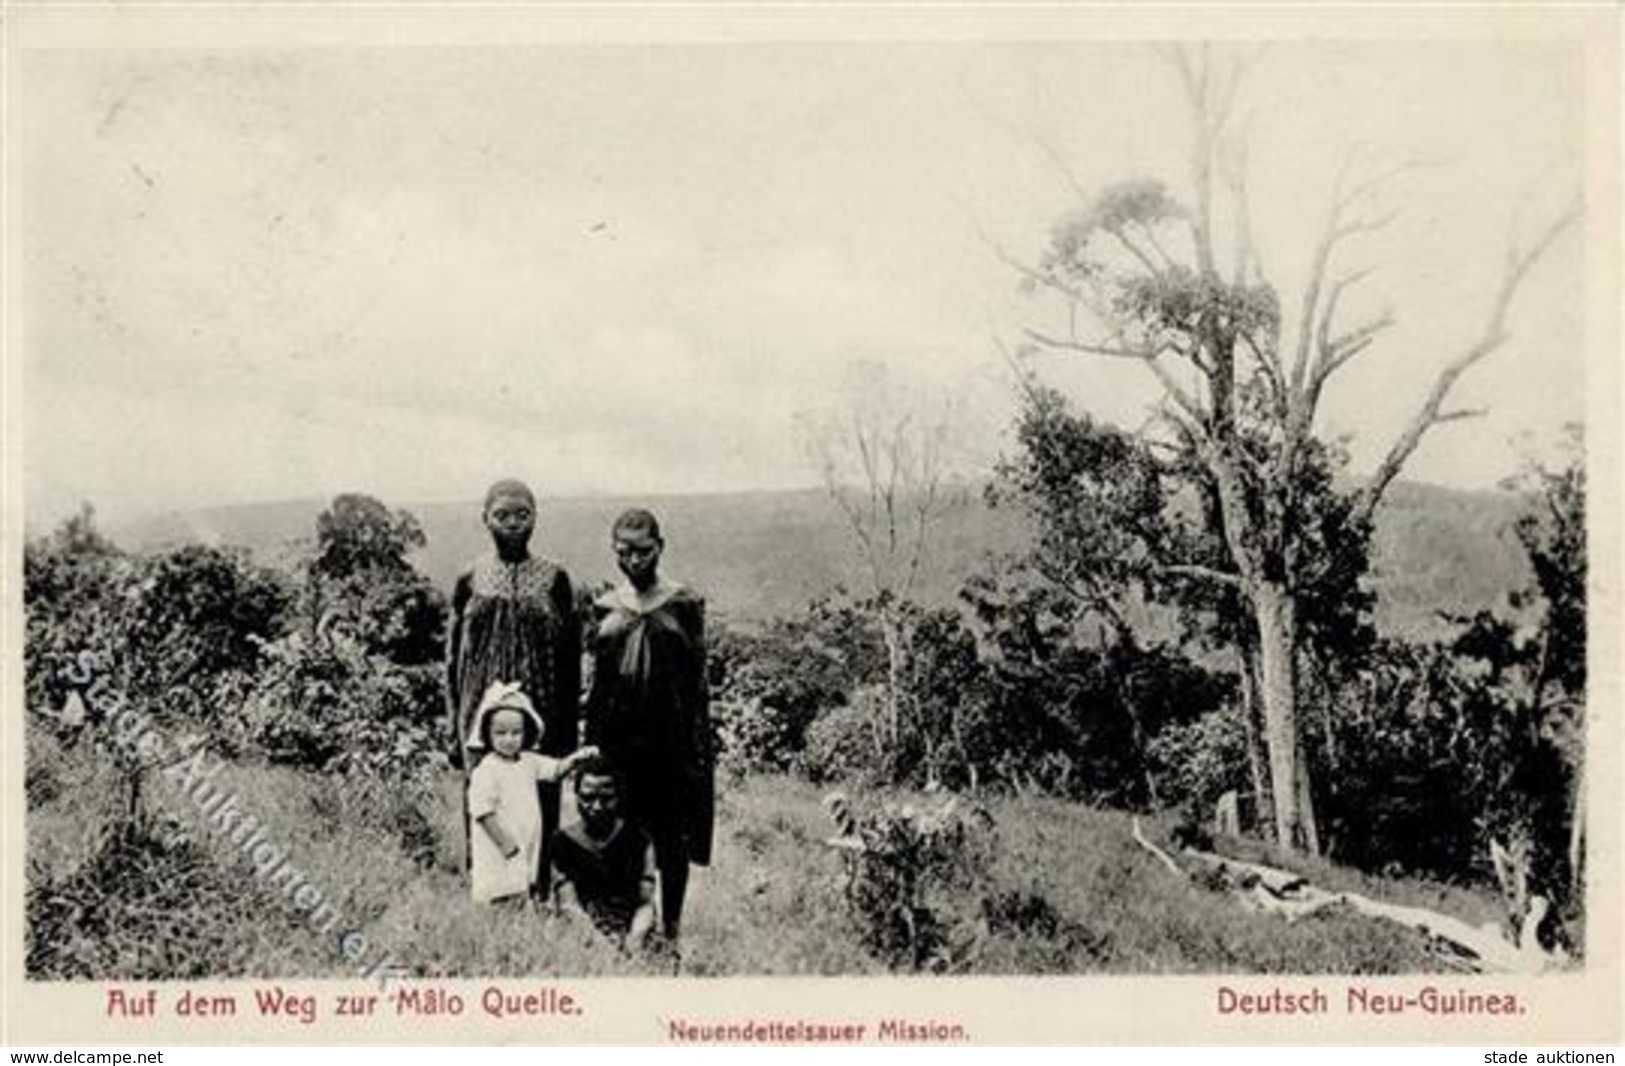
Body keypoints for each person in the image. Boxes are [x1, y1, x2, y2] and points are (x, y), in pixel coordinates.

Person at [584, 508, 713, 943]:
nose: (634, 560)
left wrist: (698, 749)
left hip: (670, 743)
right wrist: (591, 748)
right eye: (624, 552)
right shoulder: (604, 605)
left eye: (643, 551)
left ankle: (670, 932)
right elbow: (597, 684)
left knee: (670, 841)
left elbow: (697, 684)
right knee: (622, 836)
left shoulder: (686, 603)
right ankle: (630, 928)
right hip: (617, 743)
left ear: (661, 546)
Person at [446, 479, 581, 893]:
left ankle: (537, 892)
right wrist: (454, 726)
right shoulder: (469, 579)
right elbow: (452, 658)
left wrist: (567, 727)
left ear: (535, 517)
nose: (513, 524)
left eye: (522, 515)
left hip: (541, 714)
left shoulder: (555, 579)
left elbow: (571, 658)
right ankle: (488, 895)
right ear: (484, 518)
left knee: (537, 806)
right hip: (480, 716)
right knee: (484, 801)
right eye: (502, 515)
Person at [465, 682, 598, 905]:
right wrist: (505, 843)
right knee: (498, 886)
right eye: (500, 733)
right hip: (498, 842)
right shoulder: (487, 770)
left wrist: (576, 759)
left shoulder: (528, 761)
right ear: (487, 735)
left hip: (524, 839)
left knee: (520, 883)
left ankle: (519, 919)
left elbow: (555, 770)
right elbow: (482, 811)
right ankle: (496, 923)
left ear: (526, 734)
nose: (509, 739)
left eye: (516, 733)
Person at [551, 755, 657, 950]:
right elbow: (568, 905)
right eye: (588, 798)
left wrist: (634, 939)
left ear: (618, 797)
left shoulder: (639, 839)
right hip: (581, 934)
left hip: (632, 931)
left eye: (606, 798)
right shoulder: (561, 842)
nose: (597, 807)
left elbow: (646, 903)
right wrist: (601, 945)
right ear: (576, 795)